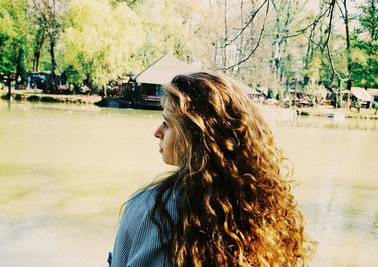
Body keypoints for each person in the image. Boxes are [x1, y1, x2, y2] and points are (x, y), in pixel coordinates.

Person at [109, 72, 314, 267]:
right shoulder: (264, 208)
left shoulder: (152, 209)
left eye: (167, 123)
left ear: (195, 136)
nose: (157, 132)